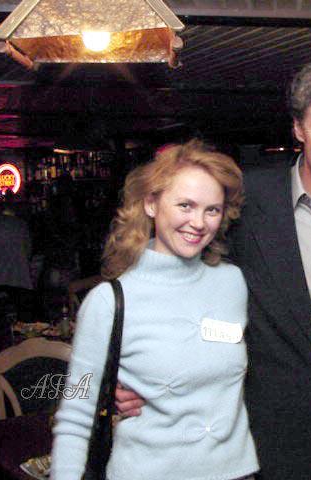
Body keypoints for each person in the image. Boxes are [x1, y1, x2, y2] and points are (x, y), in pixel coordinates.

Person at [117, 56, 311, 479]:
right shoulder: (245, 199)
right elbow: (177, 277)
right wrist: (138, 368)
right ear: (299, 129)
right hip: (264, 443)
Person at [51, 140, 259, 480]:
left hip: (237, 473)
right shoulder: (107, 302)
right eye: (185, 205)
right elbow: (75, 411)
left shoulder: (232, 283)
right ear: (151, 203)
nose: (198, 222)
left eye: (212, 210)